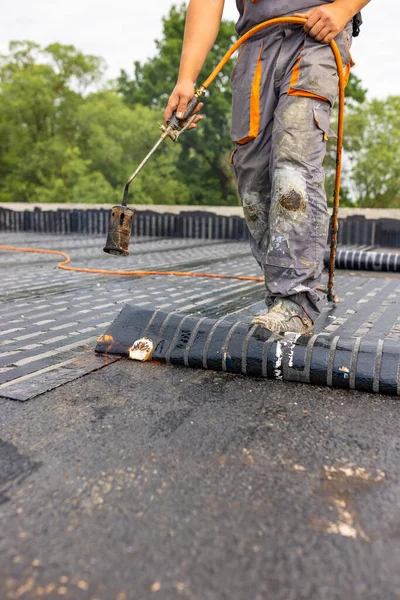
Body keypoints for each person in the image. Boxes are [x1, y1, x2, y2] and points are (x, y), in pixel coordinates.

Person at [164, 0, 371, 334]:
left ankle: (295, 300)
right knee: (253, 178)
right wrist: (186, 78)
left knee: (294, 166)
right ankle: (279, 286)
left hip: (315, 32)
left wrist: (345, 8)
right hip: (256, 44)